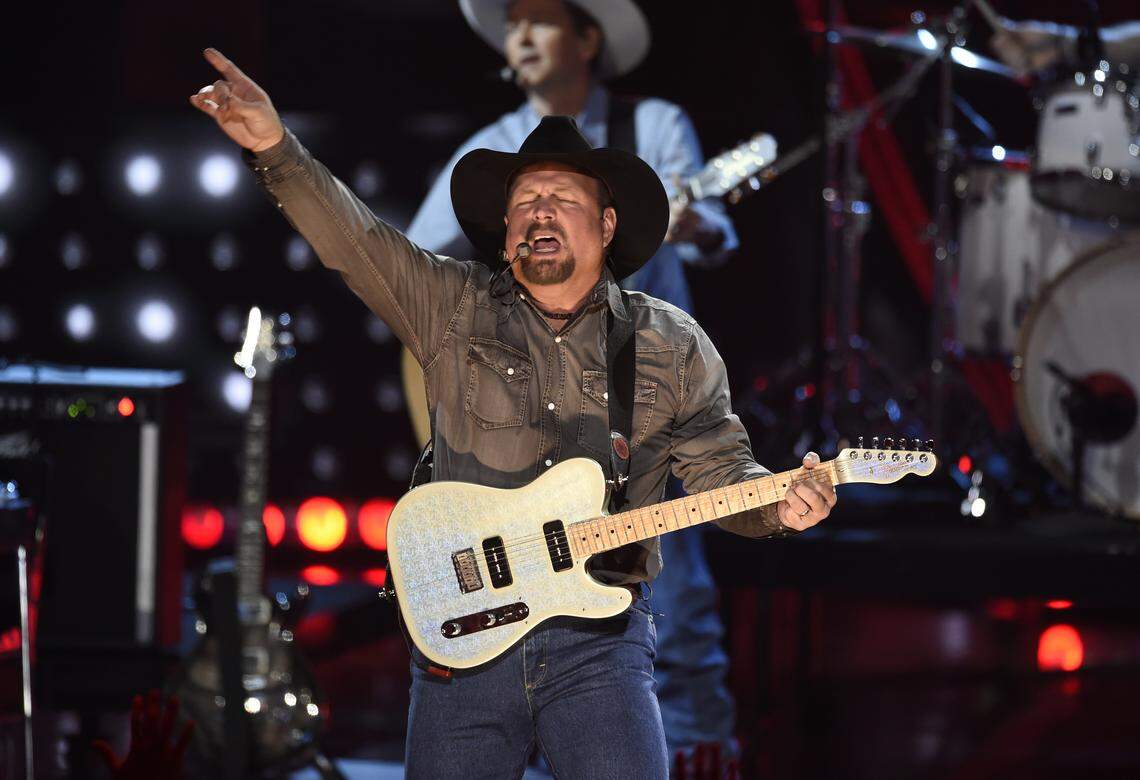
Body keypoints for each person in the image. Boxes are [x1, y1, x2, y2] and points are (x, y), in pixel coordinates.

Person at [189, 47, 836, 777]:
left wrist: (782, 504)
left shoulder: (668, 340)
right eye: (524, 202)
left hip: (602, 648)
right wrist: (278, 149)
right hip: (462, 647)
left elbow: (723, 472)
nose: (539, 213)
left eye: (560, 197)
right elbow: (355, 240)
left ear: (607, 223)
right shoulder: (452, 306)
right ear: (504, 233)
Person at [406, 0, 743, 758]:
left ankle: (697, 753)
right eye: (512, 23)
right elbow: (416, 267)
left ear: (587, 37)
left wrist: (696, 222)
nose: (519, 35)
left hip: (645, 413)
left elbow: (719, 228)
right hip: (526, 434)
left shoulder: (652, 125)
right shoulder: (494, 146)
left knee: (678, 593)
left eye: (540, 19)